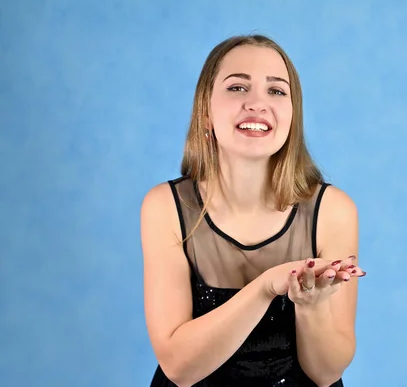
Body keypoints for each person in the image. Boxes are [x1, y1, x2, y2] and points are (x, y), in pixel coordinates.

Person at [140, 34, 366, 387]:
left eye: (276, 91)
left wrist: (309, 306)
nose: (257, 104)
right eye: (237, 88)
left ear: (292, 115)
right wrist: (265, 287)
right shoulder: (165, 206)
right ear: (206, 112)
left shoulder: (334, 210)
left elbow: (326, 373)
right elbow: (179, 368)